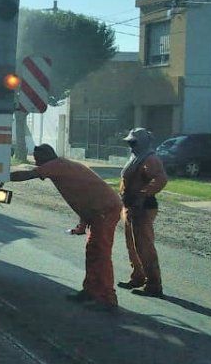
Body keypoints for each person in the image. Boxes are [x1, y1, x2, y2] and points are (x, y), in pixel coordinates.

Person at [10, 144, 123, 312]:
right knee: (92, 251)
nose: (36, 162)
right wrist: (83, 222)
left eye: (37, 158)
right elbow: (82, 195)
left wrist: (1, 174)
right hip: (97, 210)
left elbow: (29, 175)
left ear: (45, 157)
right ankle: (91, 291)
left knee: (101, 254)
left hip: (104, 210)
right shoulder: (60, 165)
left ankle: (108, 299)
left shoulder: (56, 165)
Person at [117, 128, 169, 298]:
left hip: (143, 207)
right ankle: (138, 277)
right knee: (132, 245)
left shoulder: (150, 158)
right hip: (130, 206)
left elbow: (160, 179)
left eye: (133, 142)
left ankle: (154, 284)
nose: (131, 146)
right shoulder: (136, 157)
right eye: (129, 143)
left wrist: (143, 194)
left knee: (144, 246)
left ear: (142, 143)